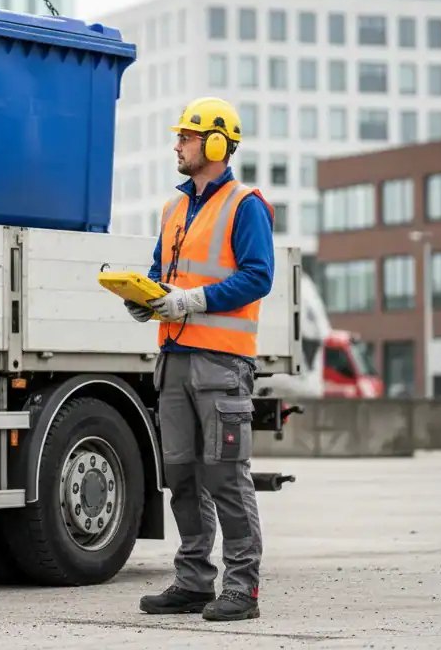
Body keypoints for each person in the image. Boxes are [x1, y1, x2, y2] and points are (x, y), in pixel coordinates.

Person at [127, 96, 274, 623]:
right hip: (175, 360)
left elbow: (259, 276)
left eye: (186, 137)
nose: (177, 145)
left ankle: (242, 588)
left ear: (216, 143)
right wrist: (145, 298)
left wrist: (191, 300)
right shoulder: (172, 210)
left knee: (226, 477)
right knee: (182, 476)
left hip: (222, 365)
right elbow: (161, 272)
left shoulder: (245, 204)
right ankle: (193, 581)